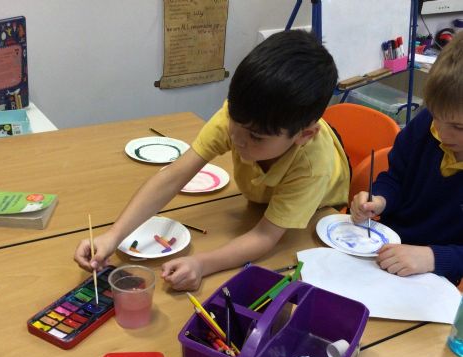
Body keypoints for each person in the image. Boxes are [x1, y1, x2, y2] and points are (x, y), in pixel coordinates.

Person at [74, 30, 350, 291]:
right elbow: (172, 177)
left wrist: (202, 263)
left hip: (315, 220)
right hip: (264, 203)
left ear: (304, 135)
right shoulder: (243, 119)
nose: (237, 139)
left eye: (255, 137)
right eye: (234, 121)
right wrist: (113, 235)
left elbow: (265, 236)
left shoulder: (312, 166)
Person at [350, 30, 463, 284]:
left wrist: (433, 257)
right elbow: (396, 178)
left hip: (434, 276)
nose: (442, 133)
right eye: (437, 116)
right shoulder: (425, 125)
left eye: (459, 127)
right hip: (386, 249)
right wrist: (380, 199)